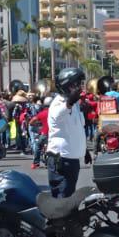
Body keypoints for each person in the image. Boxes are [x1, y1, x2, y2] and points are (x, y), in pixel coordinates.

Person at [45, 68, 88, 198]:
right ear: (68, 85)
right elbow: (58, 116)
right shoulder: (58, 103)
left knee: (69, 197)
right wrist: (69, 103)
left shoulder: (74, 104)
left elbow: (77, 129)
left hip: (72, 159)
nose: (80, 87)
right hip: (61, 160)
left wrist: (85, 150)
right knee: (62, 200)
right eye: (77, 84)